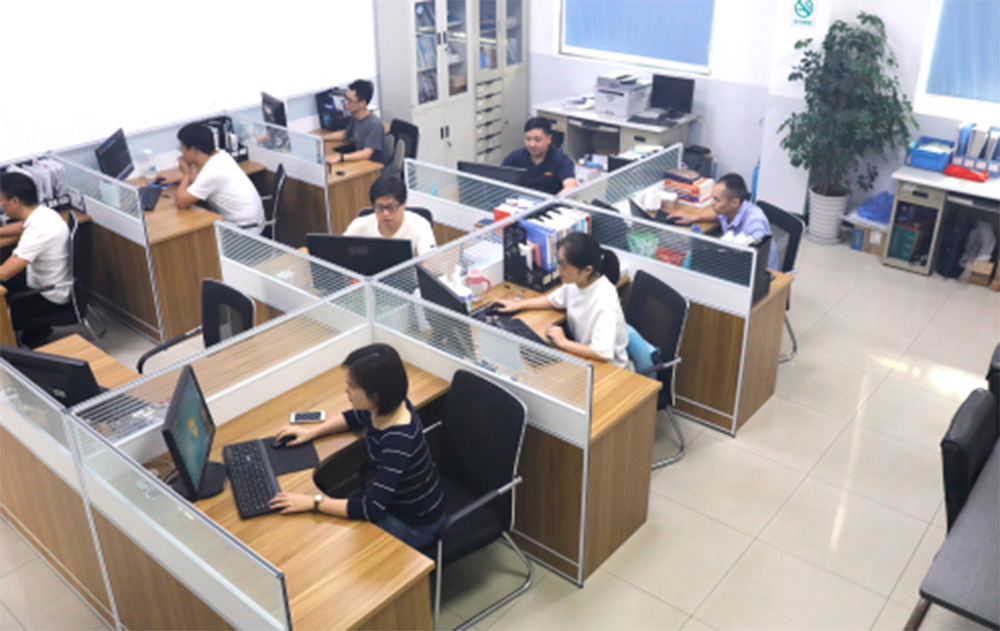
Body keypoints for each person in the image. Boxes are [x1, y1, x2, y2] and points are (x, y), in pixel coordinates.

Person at [270, 343, 445, 550]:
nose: (346, 391)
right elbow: (355, 417)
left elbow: (370, 509)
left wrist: (313, 502)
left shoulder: (398, 440)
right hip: (390, 501)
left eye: (352, 387)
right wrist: (313, 432)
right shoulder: (387, 406)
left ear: (376, 394)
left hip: (413, 522)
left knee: (331, 544)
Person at [494, 232, 628, 367]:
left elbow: (602, 353)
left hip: (610, 368)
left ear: (587, 270)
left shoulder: (604, 301)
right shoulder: (576, 283)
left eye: (564, 265)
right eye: (558, 262)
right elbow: (553, 300)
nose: (558, 269)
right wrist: (520, 305)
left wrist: (563, 342)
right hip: (585, 355)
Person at [0, 172, 72, 346]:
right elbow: (21, 226)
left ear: (15, 201)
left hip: (48, 299)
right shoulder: (44, 214)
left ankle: (21, 342)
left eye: (1, 200)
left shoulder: (39, 231)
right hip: (50, 284)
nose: (1, 205)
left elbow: (4, 273)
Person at [158, 124, 266, 232]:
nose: (181, 152)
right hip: (256, 222)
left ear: (193, 149)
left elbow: (181, 203)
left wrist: (186, 174)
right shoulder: (221, 155)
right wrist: (175, 179)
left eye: (182, 147)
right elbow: (201, 179)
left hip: (243, 232)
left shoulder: (212, 172)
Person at [668, 173, 780, 270]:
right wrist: (693, 217)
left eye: (717, 200)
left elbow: (760, 258)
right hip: (734, 261)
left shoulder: (754, 224)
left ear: (734, 203)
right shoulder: (729, 210)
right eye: (712, 198)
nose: (712, 204)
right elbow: (717, 215)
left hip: (759, 272)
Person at [344, 174, 436, 255]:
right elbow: (341, 254)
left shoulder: (420, 225)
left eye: (391, 207)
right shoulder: (359, 225)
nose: (385, 213)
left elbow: (430, 261)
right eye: (379, 207)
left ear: (404, 204)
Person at [501, 117, 578, 195]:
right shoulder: (516, 157)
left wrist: (553, 200)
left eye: (537, 140)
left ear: (549, 139)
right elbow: (498, 179)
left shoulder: (561, 160)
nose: (532, 144)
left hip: (550, 201)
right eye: (528, 139)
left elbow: (571, 187)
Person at [324, 79, 388, 165]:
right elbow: (344, 134)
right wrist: (321, 138)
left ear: (362, 103)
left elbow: (366, 153)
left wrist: (340, 157)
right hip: (361, 163)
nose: (346, 103)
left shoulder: (374, 124)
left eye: (349, 100)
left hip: (373, 167)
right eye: (346, 99)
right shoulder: (356, 118)